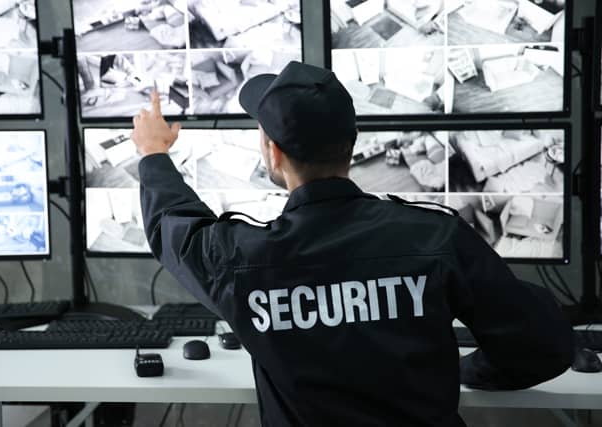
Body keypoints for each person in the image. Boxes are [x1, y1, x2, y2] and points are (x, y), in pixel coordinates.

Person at [131, 61, 574, 427]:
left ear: (274, 153)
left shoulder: (241, 257)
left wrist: (154, 154)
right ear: (351, 143)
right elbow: (544, 346)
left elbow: (175, 227)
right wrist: (467, 372)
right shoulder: (437, 236)